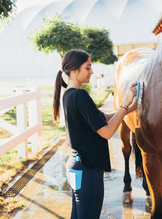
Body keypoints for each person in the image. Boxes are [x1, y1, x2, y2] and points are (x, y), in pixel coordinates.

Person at [53, 49, 137, 219]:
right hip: (87, 170)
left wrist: (129, 108)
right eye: (88, 68)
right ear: (74, 70)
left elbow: (102, 118)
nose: (92, 72)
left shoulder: (69, 94)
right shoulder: (80, 95)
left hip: (78, 166)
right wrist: (125, 105)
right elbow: (106, 132)